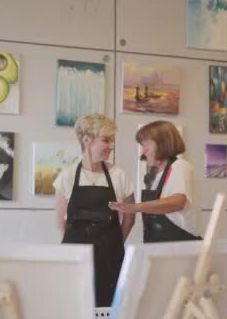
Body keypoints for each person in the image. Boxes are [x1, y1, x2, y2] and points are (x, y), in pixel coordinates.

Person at [53, 114, 135, 307]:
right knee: (75, 309)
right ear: (87, 140)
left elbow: (130, 218)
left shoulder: (119, 175)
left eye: (112, 140)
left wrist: (114, 244)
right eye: (106, 140)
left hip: (110, 260)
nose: (111, 146)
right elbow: (60, 222)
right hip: (75, 259)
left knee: (108, 313)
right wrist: (78, 243)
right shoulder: (67, 176)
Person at [109, 120, 200, 243]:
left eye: (147, 145)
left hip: (181, 247)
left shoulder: (180, 166)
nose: (143, 152)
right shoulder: (155, 176)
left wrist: (136, 207)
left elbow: (178, 202)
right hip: (158, 247)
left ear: (163, 143)